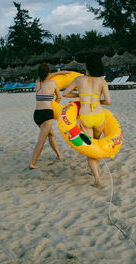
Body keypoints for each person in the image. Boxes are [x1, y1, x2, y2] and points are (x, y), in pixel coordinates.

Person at [63, 55, 111, 188]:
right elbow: (108, 101)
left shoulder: (78, 79)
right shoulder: (102, 82)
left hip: (86, 116)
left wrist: (81, 96)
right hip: (99, 115)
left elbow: (65, 94)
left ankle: (97, 178)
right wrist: (96, 100)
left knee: (91, 148)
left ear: (87, 66)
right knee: (95, 144)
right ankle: (94, 170)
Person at [29, 64, 69, 169]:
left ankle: (59, 155)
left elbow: (45, 76)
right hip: (47, 114)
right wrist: (54, 104)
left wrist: (60, 72)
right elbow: (59, 97)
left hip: (36, 114)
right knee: (41, 140)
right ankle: (32, 163)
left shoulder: (37, 83)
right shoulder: (53, 83)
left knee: (51, 135)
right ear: (48, 73)